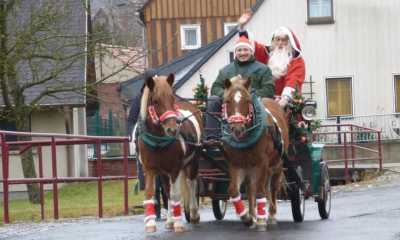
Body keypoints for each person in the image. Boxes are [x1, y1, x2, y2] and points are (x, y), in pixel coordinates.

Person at [205, 36, 274, 139]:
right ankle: (213, 138)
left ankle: (269, 136)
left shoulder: (263, 69)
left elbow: (269, 89)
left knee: (264, 102)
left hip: (253, 102)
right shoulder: (226, 71)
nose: (242, 53)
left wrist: (248, 96)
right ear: (235, 52)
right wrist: (228, 96)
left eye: (246, 50)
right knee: (213, 100)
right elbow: (215, 88)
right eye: (239, 50)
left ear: (251, 51)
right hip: (231, 104)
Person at [237, 10, 306, 108]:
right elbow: (250, 46)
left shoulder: (296, 60)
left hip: (287, 102)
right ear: (274, 41)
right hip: (263, 100)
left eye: (284, 40)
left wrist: (284, 99)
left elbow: (294, 80)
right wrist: (242, 27)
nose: (280, 43)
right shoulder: (267, 54)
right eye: (278, 40)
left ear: (289, 42)